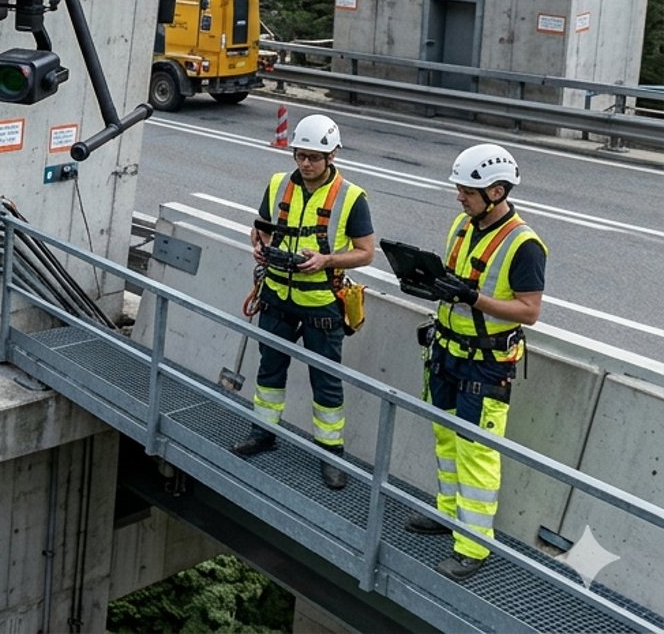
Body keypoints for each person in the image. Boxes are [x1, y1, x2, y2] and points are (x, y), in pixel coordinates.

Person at [408, 143, 545, 581]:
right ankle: (447, 515)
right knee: (446, 441)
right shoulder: (463, 226)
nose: (459, 197)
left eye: (468, 190)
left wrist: (473, 298)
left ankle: (472, 545)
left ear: (498, 191)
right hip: (447, 351)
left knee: (477, 453)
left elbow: (529, 311)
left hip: (485, 365)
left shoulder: (524, 245)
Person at [230, 114, 376, 492]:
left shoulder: (351, 197)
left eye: (314, 157)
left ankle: (330, 454)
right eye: (300, 155)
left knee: (326, 381)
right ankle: (263, 433)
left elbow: (366, 253)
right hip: (277, 294)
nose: (306, 163)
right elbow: (260, 227)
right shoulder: (278, 184)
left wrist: (326, 260)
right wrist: (258, 245)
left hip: (321, 303)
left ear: (331, 156)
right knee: (269, 370)